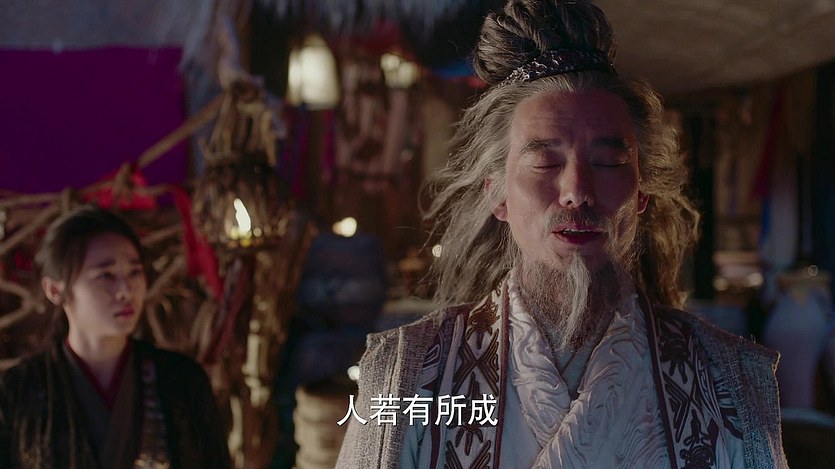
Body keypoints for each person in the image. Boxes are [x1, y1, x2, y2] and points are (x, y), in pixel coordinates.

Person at [336, 1, 787, 467]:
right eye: (545, 161)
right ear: (499, 196)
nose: (577, 192)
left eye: (608, 162)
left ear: (641, 194)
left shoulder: (728, 379)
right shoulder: (408, 374)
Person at [0, 205, 231, 468]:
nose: (126, 291)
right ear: (55, 290)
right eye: (105, 275)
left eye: (134, 272)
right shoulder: (17, 390)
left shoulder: (182, 379)